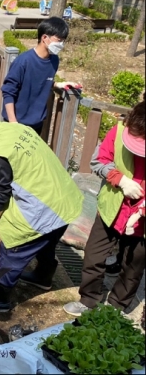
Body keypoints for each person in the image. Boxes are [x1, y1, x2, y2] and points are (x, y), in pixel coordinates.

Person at [0, 103, 83, 312]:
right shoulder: (16, 128)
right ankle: (43, 276)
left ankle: (0, 297)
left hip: (46, 208)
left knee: (13, 248)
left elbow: (1, 197)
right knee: (46, 241)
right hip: (64, 200)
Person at [63, 97, 145, 317]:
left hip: (140, 220)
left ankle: (116, 306)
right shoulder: (119, 132)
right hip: (112, 208)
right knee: (93, 254)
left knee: (132, 266)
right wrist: (120, 179)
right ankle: (89, 299)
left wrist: (141, 212)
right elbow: (99, 161)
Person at [1, 17, 79, 135]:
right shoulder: (23, 61)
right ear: (44, 38)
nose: (61, 44)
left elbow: (41, 81)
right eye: (58, 40)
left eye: (63, 40)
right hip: (16, 122)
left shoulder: (54, 60)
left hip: (36, 123)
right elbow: (8, 91)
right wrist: (13, 122)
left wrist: (58, 84)